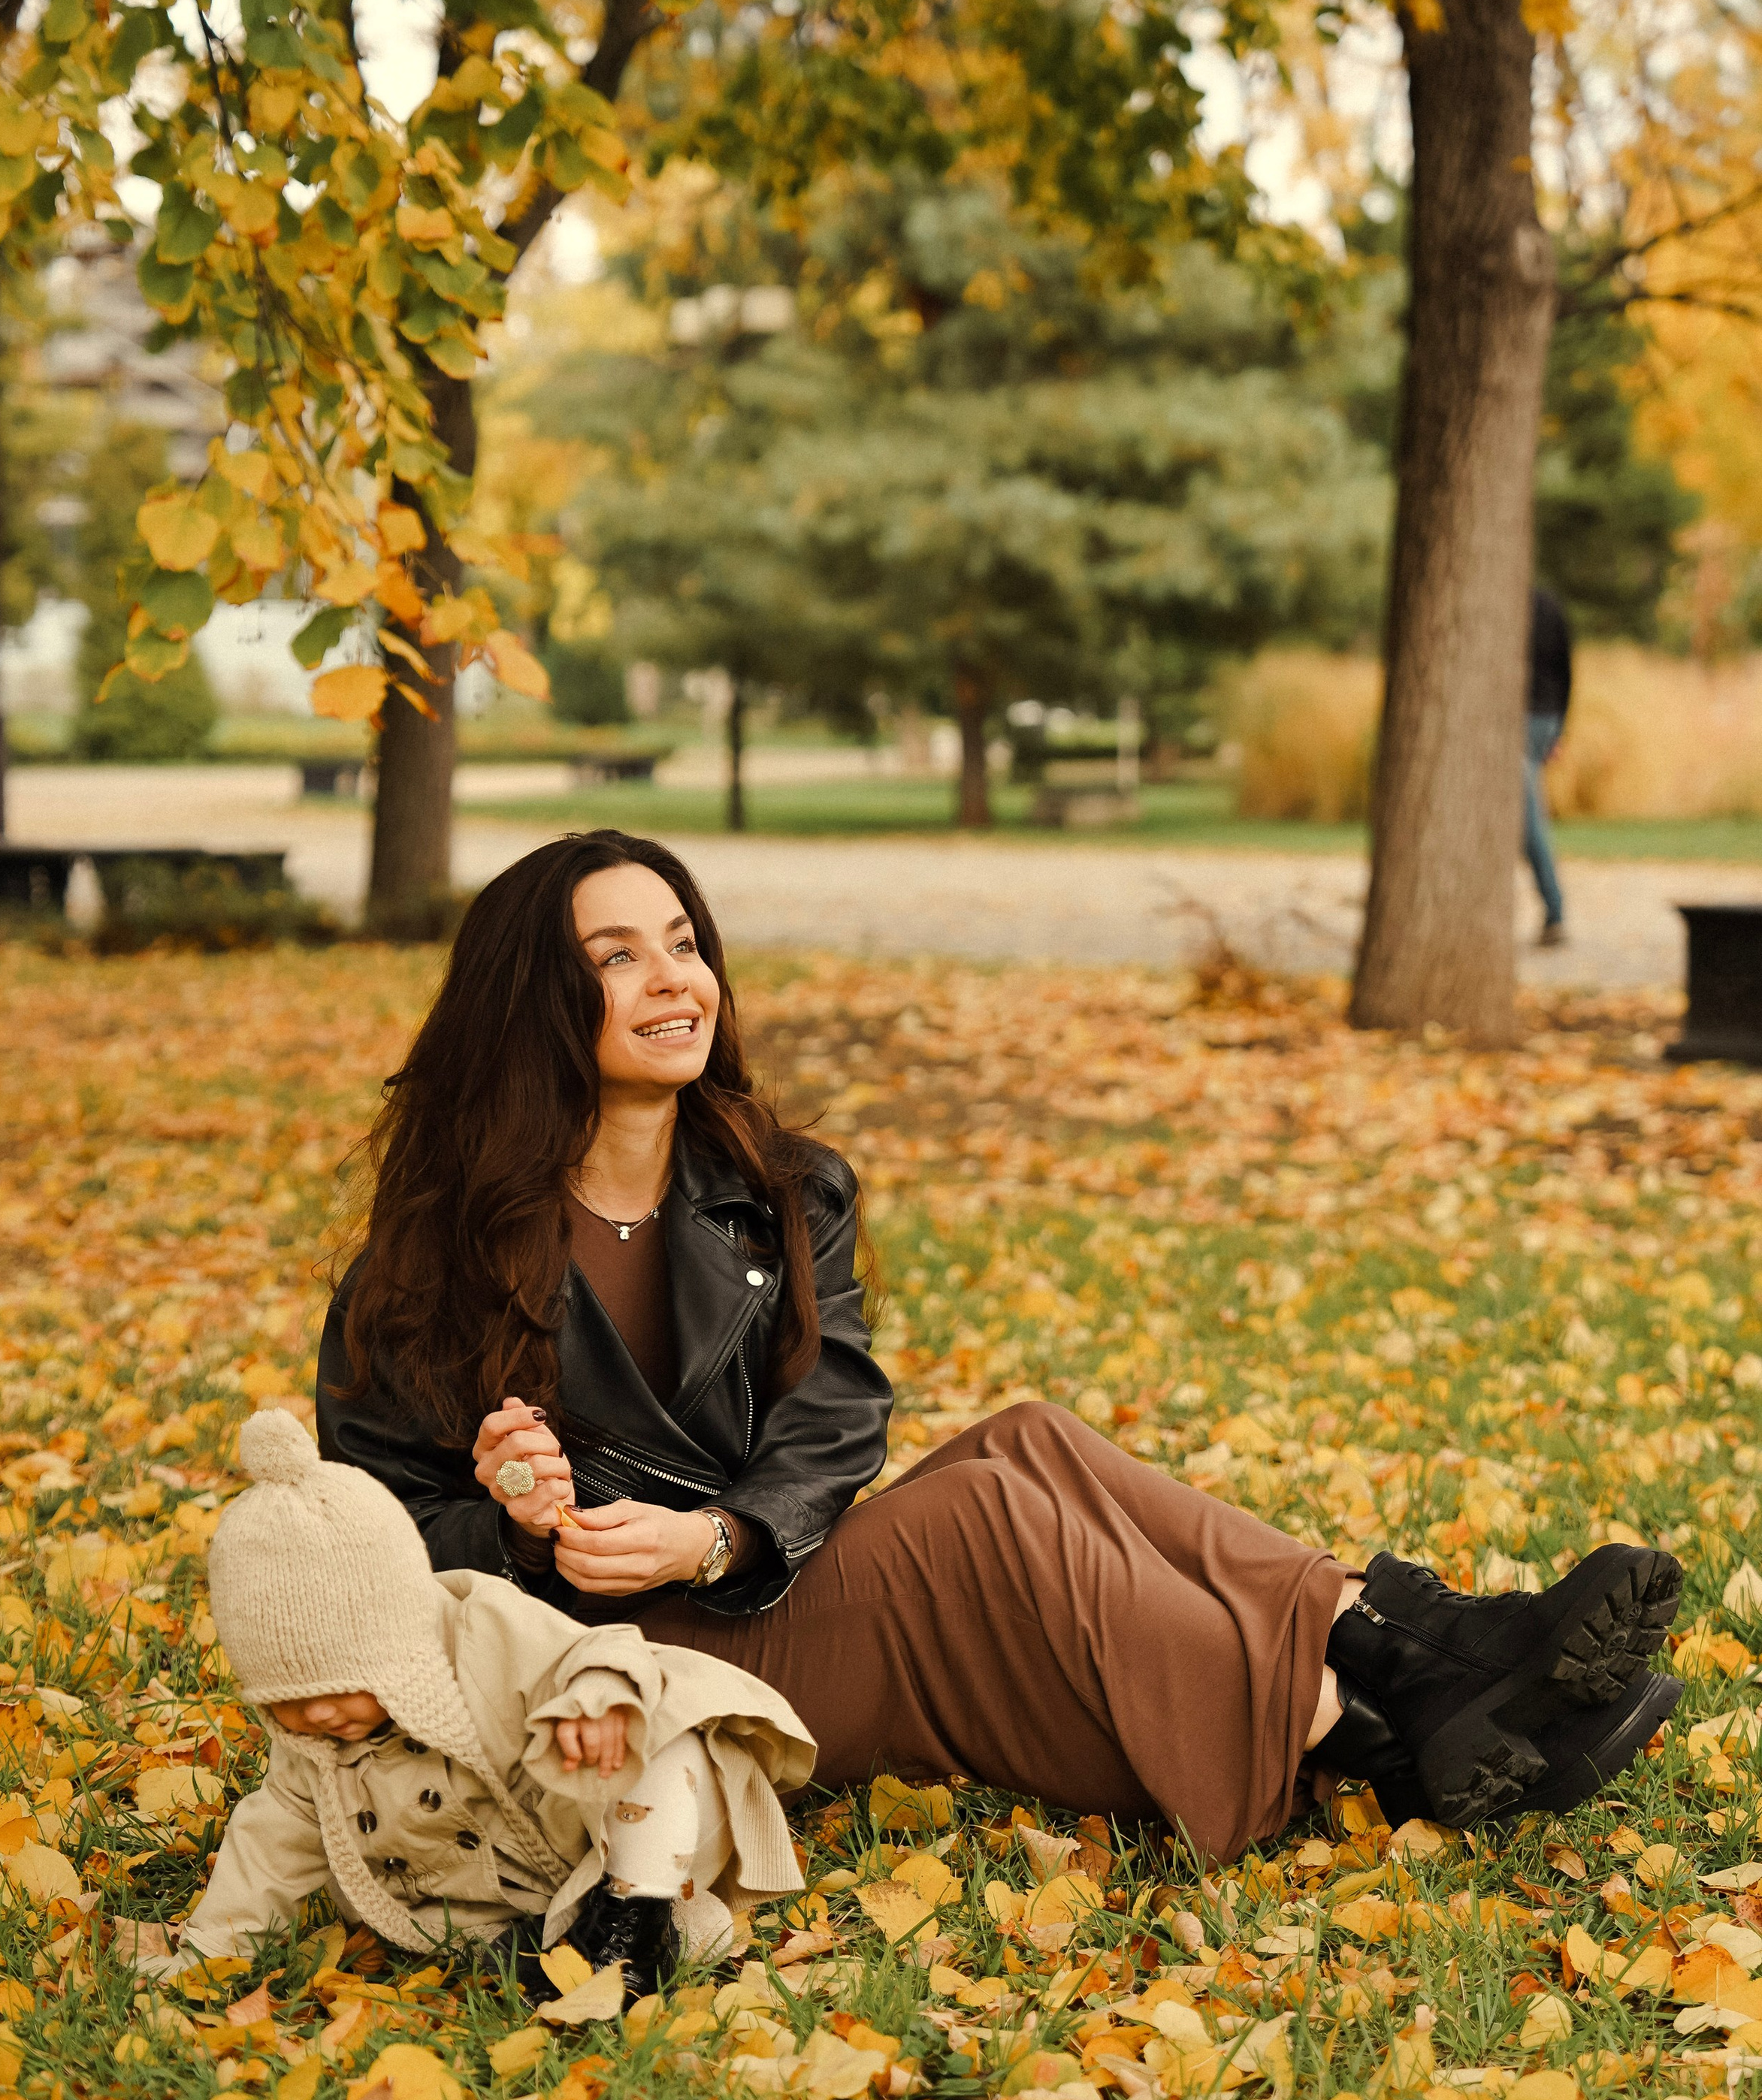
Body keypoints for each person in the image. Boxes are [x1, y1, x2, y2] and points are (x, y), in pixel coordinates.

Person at [318, 829, 1682, 1862]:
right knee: (979, 1521)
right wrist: (515, 1522)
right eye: (616, 956)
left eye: (683, 941)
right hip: (610, 1673)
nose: (675, 979)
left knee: (1029, 1439)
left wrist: (720, 1540)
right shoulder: (427, 1264)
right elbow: (363, 1534)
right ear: (535, 1002)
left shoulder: (779, 1188)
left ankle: (1407, 1660)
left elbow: (834, 1417)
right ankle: (1361, 1718)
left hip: (737, 1591)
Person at [162, 1407, 815, 1990]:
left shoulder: (481, 1627)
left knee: (671, 1740)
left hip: (591, 1833)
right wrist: (213, 1952)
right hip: (487, 1904)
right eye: (288, 1700)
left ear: (398, 1638)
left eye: (342, 1687)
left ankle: (634, 1920)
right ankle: (572, 1948)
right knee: (406, 1913)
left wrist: (599, 1699)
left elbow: (595, 1649)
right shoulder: (312, 1754)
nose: (317, 1716)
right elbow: (266, 1851)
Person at [1525, 583, 1572, 946]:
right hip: (1547, 719)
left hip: (1524, 719)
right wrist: (1559, 729)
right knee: (1523, 812)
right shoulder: (1550, 604)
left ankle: (1555, 911)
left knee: (1526, 819)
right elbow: (1567, 671)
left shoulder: (1508, 605)